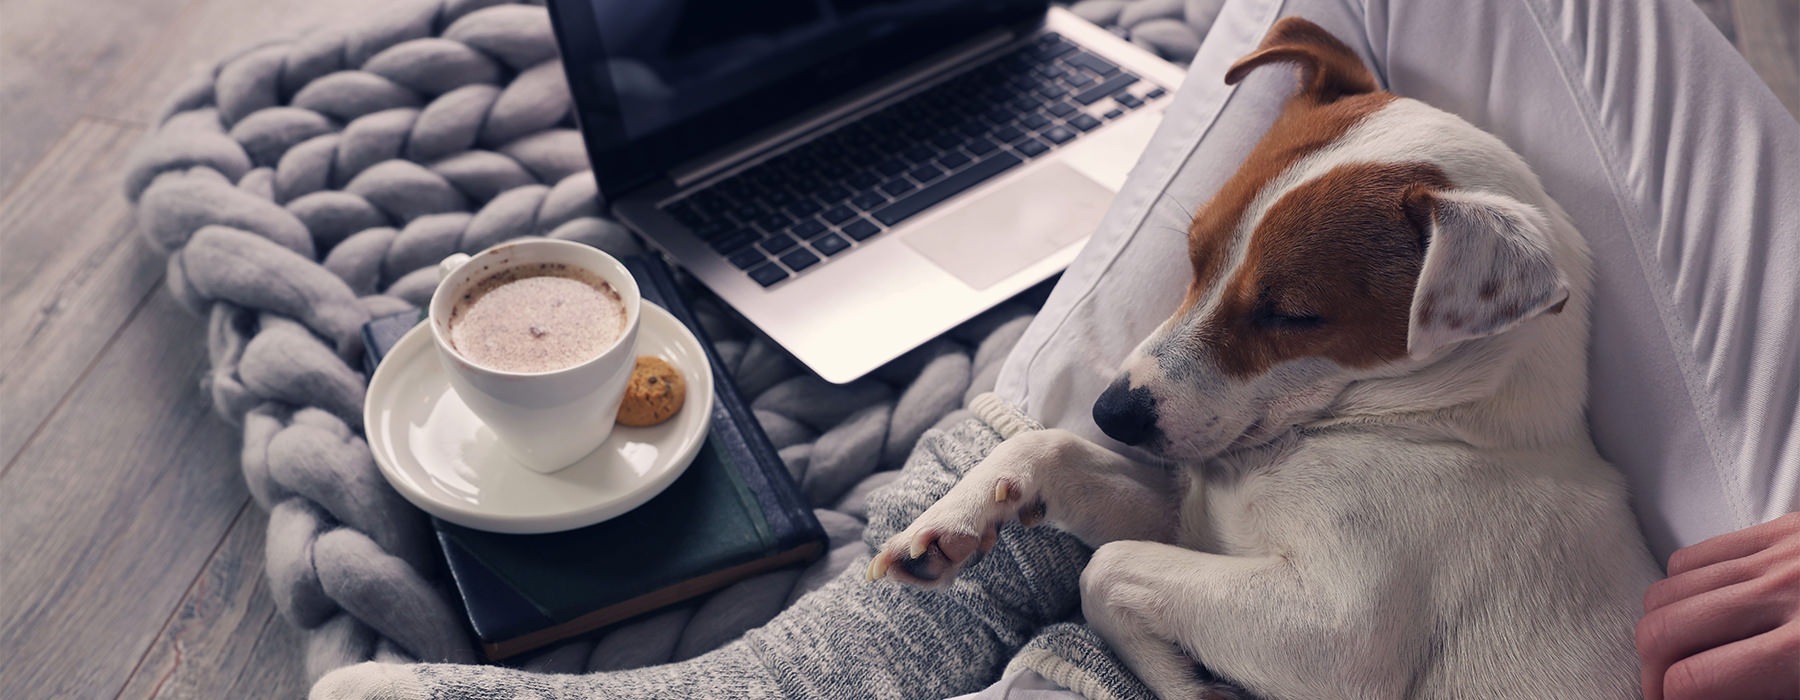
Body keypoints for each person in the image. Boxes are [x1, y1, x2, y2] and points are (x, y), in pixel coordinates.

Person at [314, 0, 1799, 697]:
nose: (1160, 365)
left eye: (1278, 318)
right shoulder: (1398, 409)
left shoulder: (1467, 443)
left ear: (1465, 300)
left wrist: (1121, 574)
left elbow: (1343, 643)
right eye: (1206, 265)